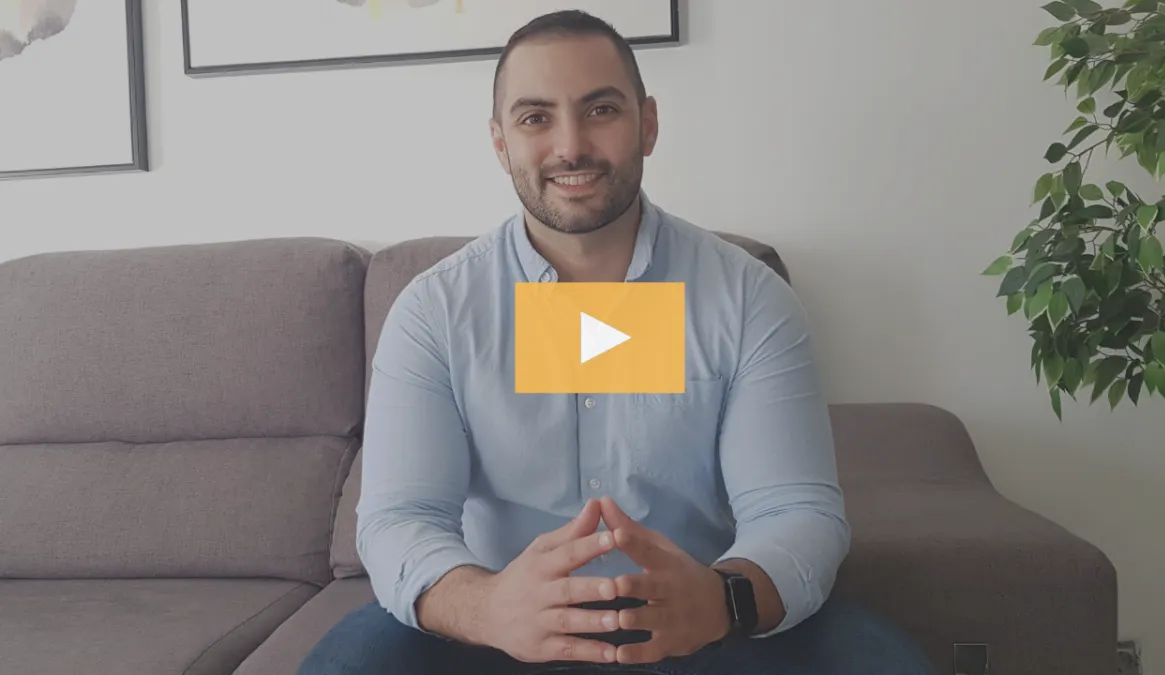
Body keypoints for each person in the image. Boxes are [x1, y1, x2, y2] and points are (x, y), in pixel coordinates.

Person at [298, 10, 936, 675]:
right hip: (502, 629)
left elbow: (795, 511)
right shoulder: (435, 312)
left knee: (877, 658)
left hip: (702, 624)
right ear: (500, 144)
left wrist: (722, 600)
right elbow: (400, 517)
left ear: (648, 124)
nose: (571, 146)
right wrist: (485, 607)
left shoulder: (748, 299)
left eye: (600, 110)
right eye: (535, 117)